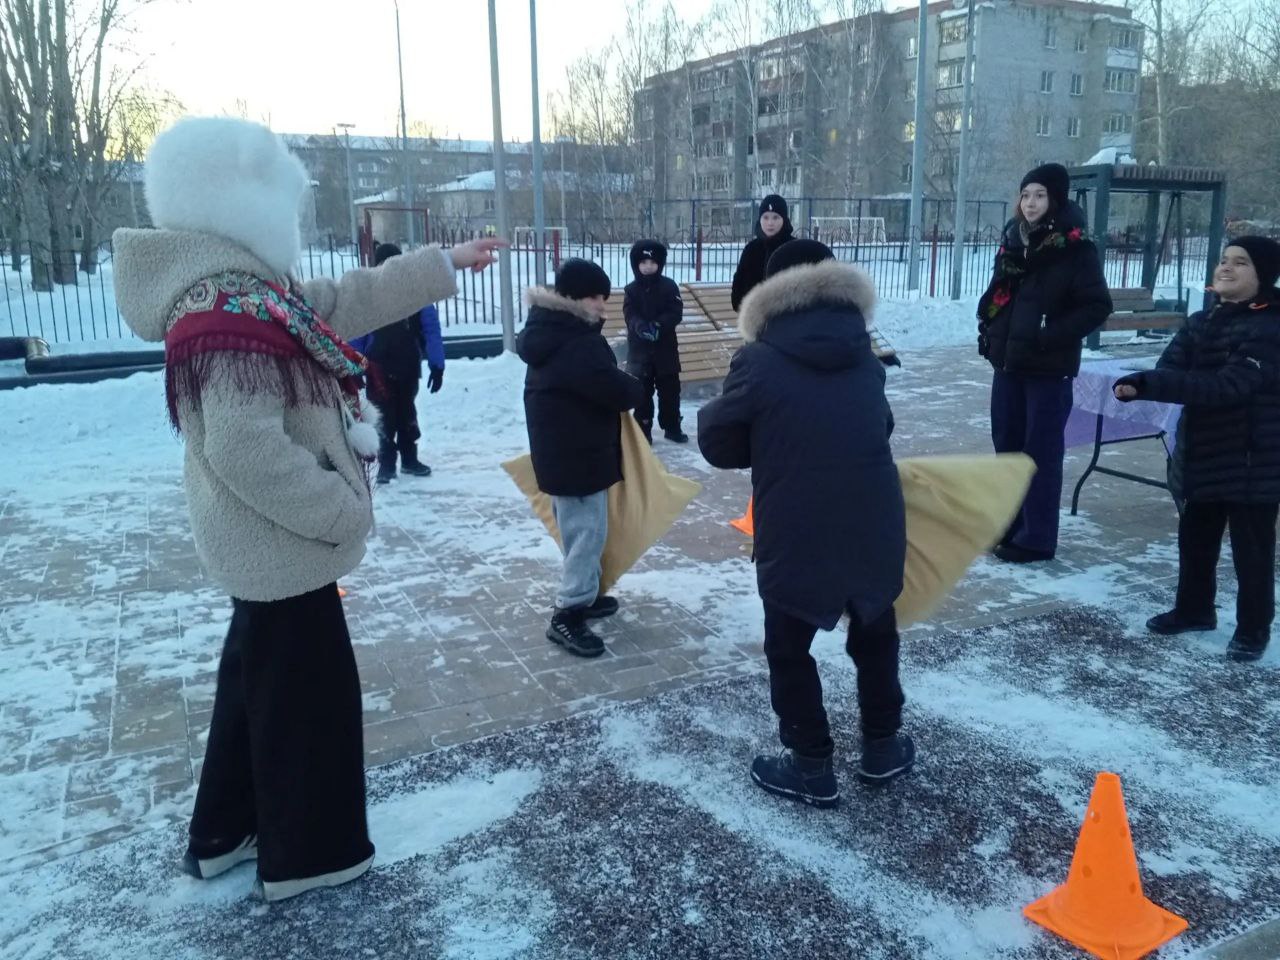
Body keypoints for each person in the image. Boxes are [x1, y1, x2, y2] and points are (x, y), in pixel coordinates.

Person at [110, 116, 502, 901]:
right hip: (279, 543)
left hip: (269, 550)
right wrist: (341, 509)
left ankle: (226, 829)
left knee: (256, 680)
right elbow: (246, 451)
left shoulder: (247, 287)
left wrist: (439, 264)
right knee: (307, 704)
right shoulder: (223, 314)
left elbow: (341, 298)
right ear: (238, 204)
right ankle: (310, 855)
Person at [698, 239, 914, 808]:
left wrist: (768, 437)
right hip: (873, 515)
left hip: (796, 520)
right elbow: (881, 427)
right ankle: (883, 744)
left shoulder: (758, 359)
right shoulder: (865, 355)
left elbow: (719, 443)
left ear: (770, 294)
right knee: (875, 631)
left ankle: (811, 761)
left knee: (789, 644)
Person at [1114, 236, 1280, 662]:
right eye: (1224, 260)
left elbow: (1232, 386)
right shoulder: (1201, 321)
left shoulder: (1271, 326)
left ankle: (1253, 629)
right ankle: (1194, 610)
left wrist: (1151, 383)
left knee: (1253, 550)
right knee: (1196, 538)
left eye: (1240, 263)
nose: (1226, 268)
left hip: (1253, 457)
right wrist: (1152, 381)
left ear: (1262, 276)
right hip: (1203, 449)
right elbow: (1171, 367)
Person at [977, 162, 1112, 563]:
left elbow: (1096, 306)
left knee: (1039, 453)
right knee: (1008, 447)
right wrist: (989, 326)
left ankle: (1036, 538)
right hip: (1008, 363)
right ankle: (1010, 524)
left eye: (1039, 195)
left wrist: (1047, 334)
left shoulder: (1075, 248)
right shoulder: (1014, 241)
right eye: (1025, 194)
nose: (1031, 202)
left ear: (1055, 199)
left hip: (1048, 369)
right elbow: (1001, 294)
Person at [517, 258, 644, 658]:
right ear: (573, 298)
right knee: (586, 535)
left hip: (567, 450)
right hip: (577, 453)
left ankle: (584, 596)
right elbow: (610, 387)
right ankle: (568, 612)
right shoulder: (574, 340)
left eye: (604, 298)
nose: (602, 306)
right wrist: (637, 389)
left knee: (584, 531)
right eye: (594, 297)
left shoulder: (553, 331)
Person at [349, 242, 447, 484]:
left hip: (407, 364)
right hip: (377, 367)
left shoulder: (415, 292)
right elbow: (358, 331)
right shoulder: (369, 294)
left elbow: (430, 327)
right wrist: (352, 365)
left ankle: (410, 460)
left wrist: (437, 363)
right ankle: (386, 464)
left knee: (406, 413)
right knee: (383, 416)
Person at [623, 239, 686, 443]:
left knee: (670, 391)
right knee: (642, 392)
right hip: (640, 353)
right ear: (636, 265)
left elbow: (675, 312)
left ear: (659, 263)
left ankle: (672, 425)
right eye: (643, 263)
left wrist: (659, 325)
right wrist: (640, 326)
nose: (648, 267)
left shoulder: (669, 287)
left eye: (652, 262)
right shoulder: (631, 290)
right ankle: (643, 429)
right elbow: (629, 313)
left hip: (665, 351)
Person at [730, 194, 795, 312]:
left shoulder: (795, 248)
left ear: (784, 219)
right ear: (760, 219)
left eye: (775, 217)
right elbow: (738, 291)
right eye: (766, 217)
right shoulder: (751, 249)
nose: (770, 223)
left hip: (788, 320)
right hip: (756, 319)